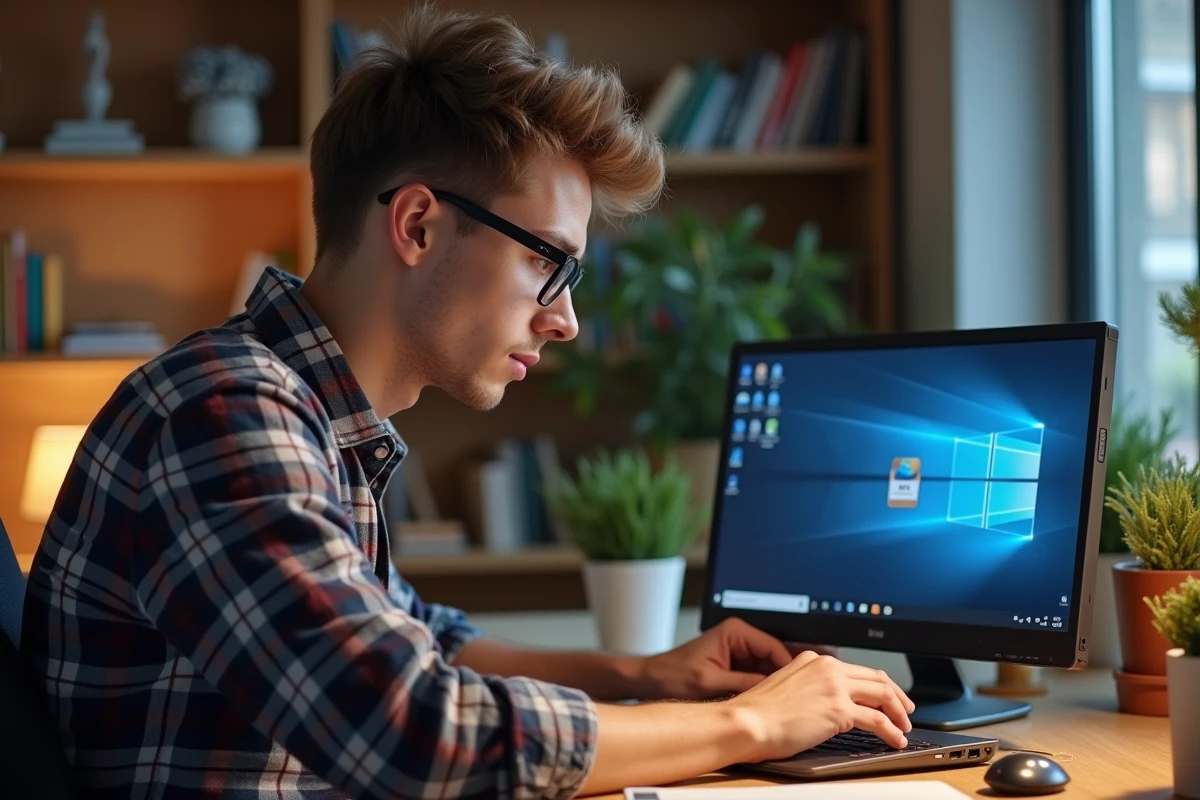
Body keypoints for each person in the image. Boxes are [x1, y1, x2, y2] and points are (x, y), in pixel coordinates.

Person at [22, 6, 913, 798]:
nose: (564, 319)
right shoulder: (225, 413)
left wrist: (648, 674)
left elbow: (420, 637)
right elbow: (412, 729)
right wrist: (753, 726)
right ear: (417, 225)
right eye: (547, 263)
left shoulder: (311, 420)